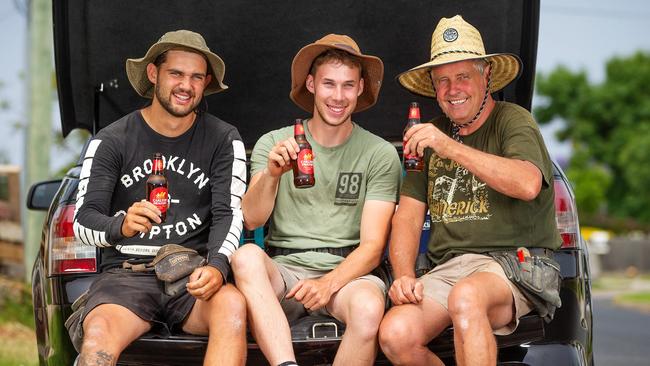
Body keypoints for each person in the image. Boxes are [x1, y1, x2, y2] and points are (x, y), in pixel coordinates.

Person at [378, 15, 562, 366]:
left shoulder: (513, 119)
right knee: (395, 335)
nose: (452, 89)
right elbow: (408, 216)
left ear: (487, 76)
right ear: (433, 87)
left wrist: (450, 147)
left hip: (516, 264)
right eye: (442, 80)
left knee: (467, 297)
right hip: (449, 267)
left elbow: (527, 183)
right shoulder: (428, 134)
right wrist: (403, 275)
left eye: (463, 76)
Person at [69, 30, 247, 365]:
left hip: (192, 274)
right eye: (176, 74)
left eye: (196, 77)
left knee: (233, 307)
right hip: (126, 276)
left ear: (206, 82)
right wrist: (121, 225)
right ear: (154, 74)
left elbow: (229, 212)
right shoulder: (112, 139)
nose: (186, 85)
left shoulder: (224, 139)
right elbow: (83, 221)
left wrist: (218, 267)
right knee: (98, 340)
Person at [231, 34, 401, 366]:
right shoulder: (274, 142)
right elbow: (252, 220)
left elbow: (372, 246)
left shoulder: (379, 153)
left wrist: (327, 283)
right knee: (246, 256)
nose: (338, 96)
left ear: (360, 88)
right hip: (285, 269)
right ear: (311, 84)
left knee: (369, 308)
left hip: (349, 274)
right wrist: (272, 173)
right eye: (329, 84)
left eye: (348, 85)